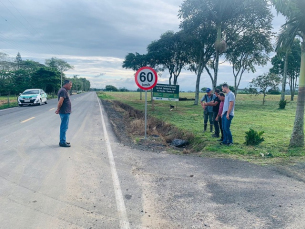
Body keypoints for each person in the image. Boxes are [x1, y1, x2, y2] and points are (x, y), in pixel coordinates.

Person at [56, 80, 73, 147]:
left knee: (64, 127)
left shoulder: (64, 90)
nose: (71, 86)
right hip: (64, 112)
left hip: (65, 111)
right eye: (70, 85)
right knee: (64, 127)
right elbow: (60, 101)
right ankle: (62, 142)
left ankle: (63, 140)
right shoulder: (63, 91)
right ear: (66, 84)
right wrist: (58, 109)